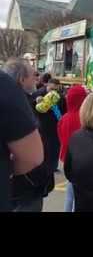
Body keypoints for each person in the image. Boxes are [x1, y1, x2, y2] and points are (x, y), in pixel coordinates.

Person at [2, 58, 52, 211]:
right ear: (21, 79)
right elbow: (32, 158)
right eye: (33, 75)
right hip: (25, 187)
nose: (37, 79)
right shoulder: (15, 100)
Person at [57, 85, 88, 212]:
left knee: (70, 193)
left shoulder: (63, 119)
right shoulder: (85, 119)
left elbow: (60, 137)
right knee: (79, 196)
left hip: (67, 160)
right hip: (83, 161)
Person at [32, 78, 65, 173]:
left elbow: (63, 110)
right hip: (43, 126)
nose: (54, 92)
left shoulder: (60, 97)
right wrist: (37, 102)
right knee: (43, 147)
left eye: (56, 89)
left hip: (55, 127)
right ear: (48, 85)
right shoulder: (39, 94)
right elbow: (32, 108)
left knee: (54, 148)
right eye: (52, 89)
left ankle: (53, 166)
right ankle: (42, 165)